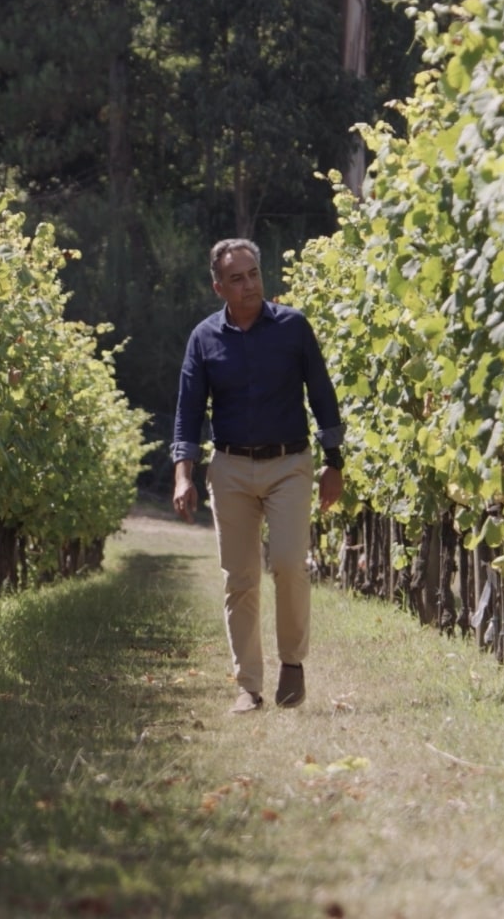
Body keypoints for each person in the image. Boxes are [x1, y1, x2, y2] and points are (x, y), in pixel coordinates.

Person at [171, 238, 344, 713]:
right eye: (236, 278)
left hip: (290, 463)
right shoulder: (204, 338)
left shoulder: (293, 327)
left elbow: (322, 395)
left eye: (253, 274)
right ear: (218, 286)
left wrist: (335, 462)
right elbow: (187, 412)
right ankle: (248, 685)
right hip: (229, 468)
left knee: (289, 563)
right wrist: (183, 474)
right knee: (240, 577)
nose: (248, 284)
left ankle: (293, 662)